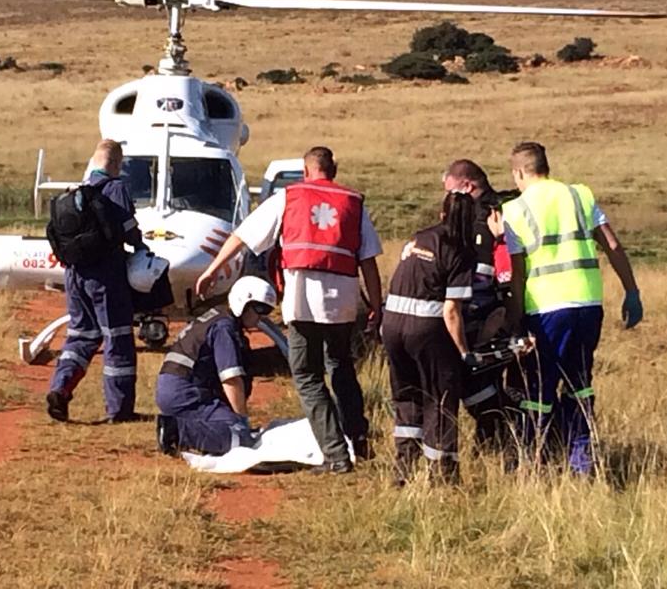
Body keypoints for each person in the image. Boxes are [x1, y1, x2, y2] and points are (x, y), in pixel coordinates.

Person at [195, 146, 383, 474]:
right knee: (341, 367)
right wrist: (376, 306)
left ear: (305, 170)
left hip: (302, 301)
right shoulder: (354, 202)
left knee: (307, 375)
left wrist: (213, 270)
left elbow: (243, 235)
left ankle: (336, 454)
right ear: (333, 168)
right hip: (342, 302)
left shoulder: (290, 197)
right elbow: (368, 261)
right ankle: (359, 440)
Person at [502, 141, 643, 474]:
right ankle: (582, 463)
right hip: (588, 303)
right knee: (580, 382)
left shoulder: (516, 210)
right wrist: (632, 291)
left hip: (546, 308)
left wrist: (514, 321)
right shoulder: (580, 195)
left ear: (519, 172)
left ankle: (533, 462)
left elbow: (518, 271)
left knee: (539, 388)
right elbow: (612, 244)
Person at [46, 139, 147, 423]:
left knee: (80, 336)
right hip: (106, 275)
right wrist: (143, 252)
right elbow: (129, 231)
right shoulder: (116, 189)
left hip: (75, 275)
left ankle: (60, 388)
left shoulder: (77, 192)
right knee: (117, 338)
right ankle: (120, 410)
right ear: (115, 164)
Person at [382, 191, 476, 485]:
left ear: (441, 213)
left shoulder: (417, 239)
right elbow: (451, 311)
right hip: (426, 328)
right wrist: (463, 352)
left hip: (392, 324)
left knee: (407, 395)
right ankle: (443, 474)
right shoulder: (459, 250)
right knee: (440, 397)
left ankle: (404, 470)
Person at [156, 276, 277, 455]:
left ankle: (185, 424)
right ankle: (176, 432)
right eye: (259, 308)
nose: (262, 316)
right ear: (242, 303)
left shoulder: (218, 316)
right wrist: (241, 420)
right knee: (238, 439)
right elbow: (231, 378)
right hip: (186, 392)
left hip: (177, 387)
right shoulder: (224, 327)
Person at [442, 159, 511, 447]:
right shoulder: (502, 209)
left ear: (467, 186)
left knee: (477, 379)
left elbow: (499, 270)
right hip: (488, 311)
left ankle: (497, 438)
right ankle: (494, 441)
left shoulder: (488, 217)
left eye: (451, 192)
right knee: (484, 381)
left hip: (487, 314)